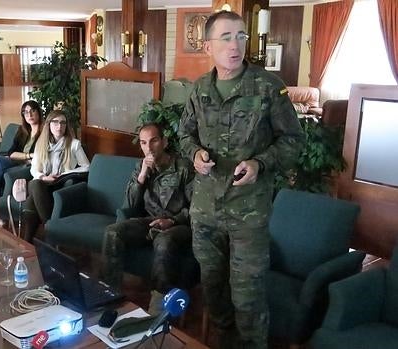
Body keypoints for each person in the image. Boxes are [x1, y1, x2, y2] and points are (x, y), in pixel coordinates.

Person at [177, 10, 304, 349]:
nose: (236, 45)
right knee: (214, 291)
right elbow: (183, 135)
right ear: (208, 46)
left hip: (248, 213)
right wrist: (194, 154)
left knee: (247, 299)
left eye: (241, 36)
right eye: (227, 37)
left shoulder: (267, 87)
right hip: (205, 210)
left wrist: (260, 163)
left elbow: (294, 140)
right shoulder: (200, 88)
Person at [101, 123, 194, 314]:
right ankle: (109, 295)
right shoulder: (140, 167)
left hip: (179, 224)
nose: (149, 148)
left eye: (154, 141)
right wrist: (142, 175)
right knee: (112, 232)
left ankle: (158, 310)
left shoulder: (183, 167)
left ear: (165, 141)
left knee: (164, 241)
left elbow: (196, 208)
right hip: (149, 221)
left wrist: (173, 221)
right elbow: (128, 205)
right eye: (143, 143)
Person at [23, 110, 90, 242]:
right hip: (42, 183)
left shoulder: (74, 144)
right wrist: (43, 177)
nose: (59, 126)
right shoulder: (41, 144)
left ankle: (27, 242)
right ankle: (49, 227)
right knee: (36, 183)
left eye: (63, 123)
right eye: (55, 122)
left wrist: (63, 175)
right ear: (49, 124)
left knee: (32, 199)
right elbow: (34, 169)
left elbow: (87, 167)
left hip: (60, 184)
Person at [0, 100, 44, 219]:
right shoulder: (22, 131)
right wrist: (28, 155)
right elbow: (11, 153)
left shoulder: (44, 132)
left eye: (32, 111)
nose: (29, 115)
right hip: (20, 160)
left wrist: (26, 157)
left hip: (30, 165)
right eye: (26, 112)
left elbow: (40, 155)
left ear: (38, 112)